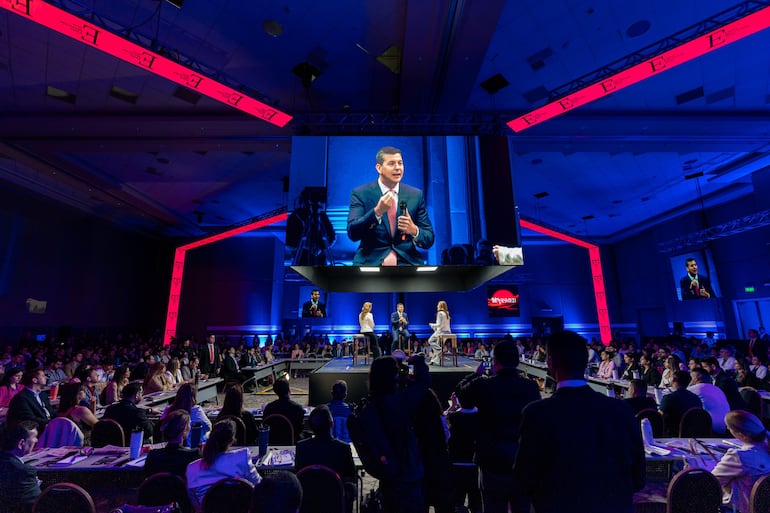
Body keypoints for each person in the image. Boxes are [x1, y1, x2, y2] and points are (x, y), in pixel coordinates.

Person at [514, 331, 645, 513]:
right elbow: (638, 477)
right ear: (585, 363)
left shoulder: (536, 414)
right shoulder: (622, 410)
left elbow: (524, 480)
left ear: (550, 364)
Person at [467, 339, 541, 513]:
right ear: (517, 361)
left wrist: (476, 375)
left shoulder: (486, 386)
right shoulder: (531, 387)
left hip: (493, 463)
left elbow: (463, 395)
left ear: (495, 362)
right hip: (522, 462)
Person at [347, 146, 434, 266]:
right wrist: (377, 212)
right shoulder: (361, 194)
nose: (397, 168)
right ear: (379, 168)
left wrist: (413, 230)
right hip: (371, 263)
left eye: (400, 163)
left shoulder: (415, 195)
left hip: (407, 263)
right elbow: (353, 233)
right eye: (392, 163)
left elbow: (429, 239)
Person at [366, 354, 430, 513]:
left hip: (387, 473)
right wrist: (418, 361)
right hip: (407, 473)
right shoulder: (399, 403)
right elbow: (424, 383)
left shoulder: (371, 404)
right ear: (393, 377)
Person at [186, 419, 261, 511]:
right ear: (231, 440)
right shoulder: (242, 457)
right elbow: (259, 485)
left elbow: (196, 505)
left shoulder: (192, 468)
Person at [295, 405, 357, 513]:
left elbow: (298, 473)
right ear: (331, 424)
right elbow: (351, 477)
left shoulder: (301, 447)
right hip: (335, 504)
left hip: (308, 505)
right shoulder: (343, 448)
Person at [711, 410, 770, 513]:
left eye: (729, 428)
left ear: (740, 435)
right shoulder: (766, 448)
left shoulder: (739, 456)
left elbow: (712, 482)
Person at [145, 410, 201, 477]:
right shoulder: (194, 455)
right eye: (189, 424)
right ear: (185, 429)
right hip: (182, 487)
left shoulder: (153, 455)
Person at [0, 421, 41, 512]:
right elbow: (39, 503)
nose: (36, 440)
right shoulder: (24, 472)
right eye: (34, 437)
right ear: (21, 443)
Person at [162, 383, 212, 447]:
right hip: (193, 445)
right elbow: (208, 426)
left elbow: (163, 427)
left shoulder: (168, 409)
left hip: (170, 445)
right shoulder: (197, 410)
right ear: (193, 396)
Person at [6, 368, 54, 433]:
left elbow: (51, 412)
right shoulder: (21, 398)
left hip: (47, 425)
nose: (46, 377)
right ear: (34, 380)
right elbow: (29, 419)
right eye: (42, 376)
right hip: (32, 430)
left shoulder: (43, 395)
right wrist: (52, 422)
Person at [688, 368, 731, 435]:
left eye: (691, 377)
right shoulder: (717, 389)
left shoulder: (696, 388)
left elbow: (680, 393)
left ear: (696, 378)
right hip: (726, 427)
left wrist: (689, 384)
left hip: (711, 430)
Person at [658, 370, 702, 437]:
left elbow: (660, 417)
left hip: (672, 435)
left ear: (673, 379)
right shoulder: (696, 398)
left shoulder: (669, 398)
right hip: (693, 435)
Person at [428, 301, 451, 366]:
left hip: (442, 332)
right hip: (448, 332)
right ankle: (432, 361)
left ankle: (440, 351)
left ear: (440, 306)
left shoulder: (440, 313)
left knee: (430, 341)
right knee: (437, 346)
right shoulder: (447, 313)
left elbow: (439, 325)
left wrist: (432, 325)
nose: (437, 306)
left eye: (438, 305)